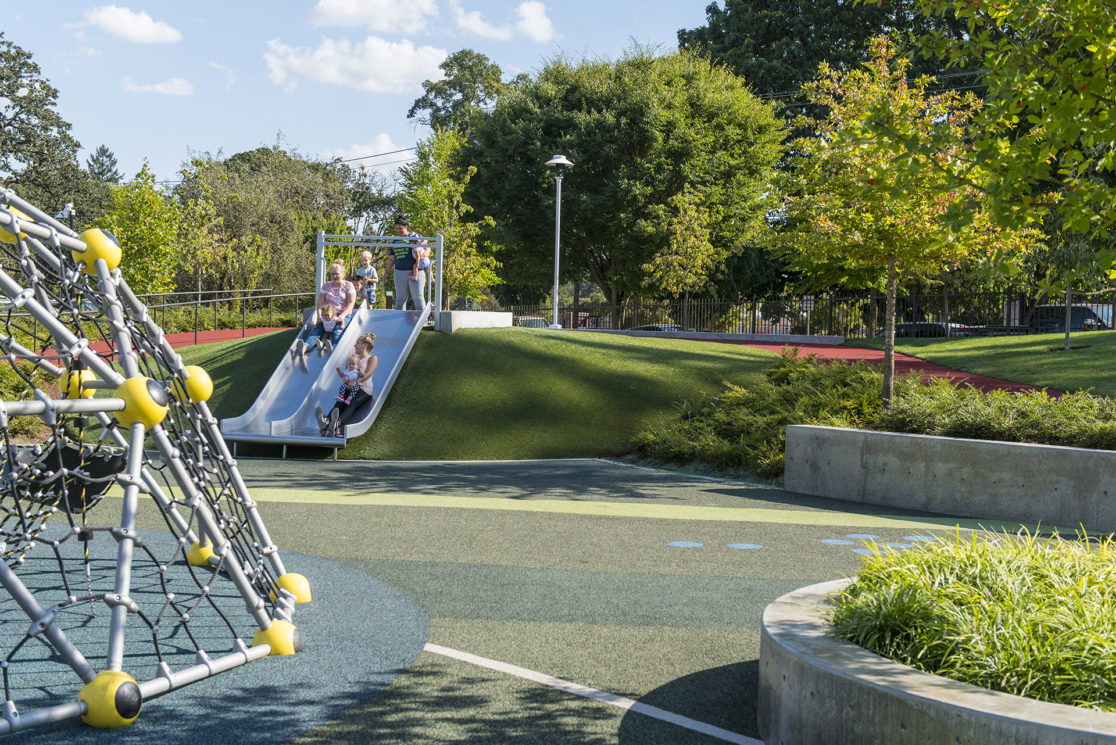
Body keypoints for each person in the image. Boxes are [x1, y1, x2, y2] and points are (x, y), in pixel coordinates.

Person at [315, 333, 378, 437]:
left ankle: (336, 423)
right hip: (351, 387)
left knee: (351, 404)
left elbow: (368, 374)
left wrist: (355, 382)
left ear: (364, 345)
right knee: (339, 403)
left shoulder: (372, 358)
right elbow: (346, 374)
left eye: (357, 343)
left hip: (364, 389)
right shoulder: (354, 360)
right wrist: (346, 381)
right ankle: (326, 422)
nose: (355, 345)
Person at [294, 259, 355, 359]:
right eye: (332, 274)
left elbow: (351, 303)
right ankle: (304, 347)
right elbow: (320, 303)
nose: (334, 276)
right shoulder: (326, 286)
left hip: (342, 313)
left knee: (337, 330)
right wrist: (319, 316)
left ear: (343, 274)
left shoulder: (348, 285)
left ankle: (334, 347)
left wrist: (342, 316)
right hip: (328, 313)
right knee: (317, 330)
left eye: (337, 274)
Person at [386, 215, 428, 310]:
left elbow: (427, 247)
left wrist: (421, 256)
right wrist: (386, 273)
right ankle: (399, 320)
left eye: (400, 228)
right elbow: (391, 259)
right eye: (396, 229)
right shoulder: (395, 241)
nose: (398, 231)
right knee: (400, 298)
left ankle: (422, 320)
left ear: (406, 226)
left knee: (418, 296)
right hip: (399, 271)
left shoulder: (414, 236)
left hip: (416, 270)